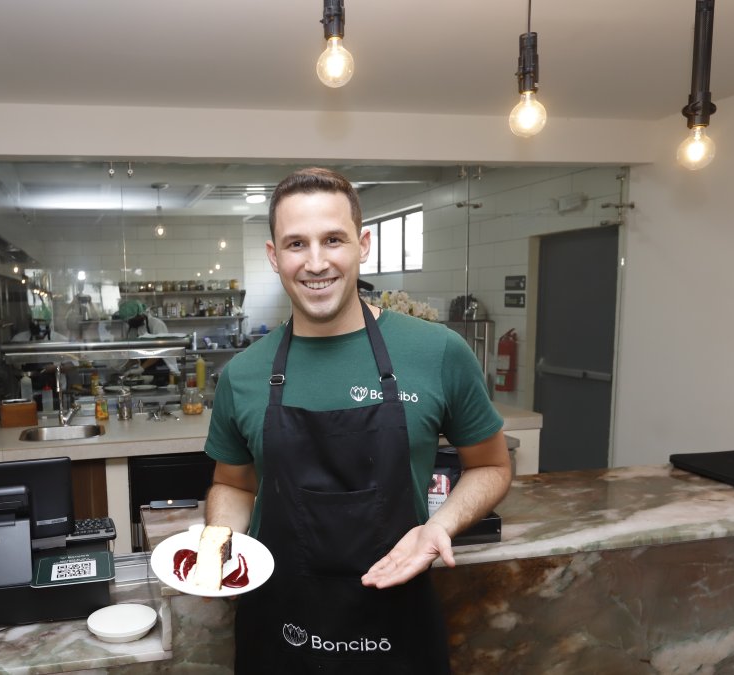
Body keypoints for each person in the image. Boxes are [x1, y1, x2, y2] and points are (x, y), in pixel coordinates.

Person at [204, 168, 512, 673]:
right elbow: (233, 484)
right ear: (273, 256)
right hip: (281, 629)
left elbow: (492, 466)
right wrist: (218, 545)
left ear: (363, 245)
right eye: (296, 244)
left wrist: (440, 526)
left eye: (334, 240)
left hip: (397, 625)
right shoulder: (243, 373)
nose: (316, 262)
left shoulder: (437, 351)